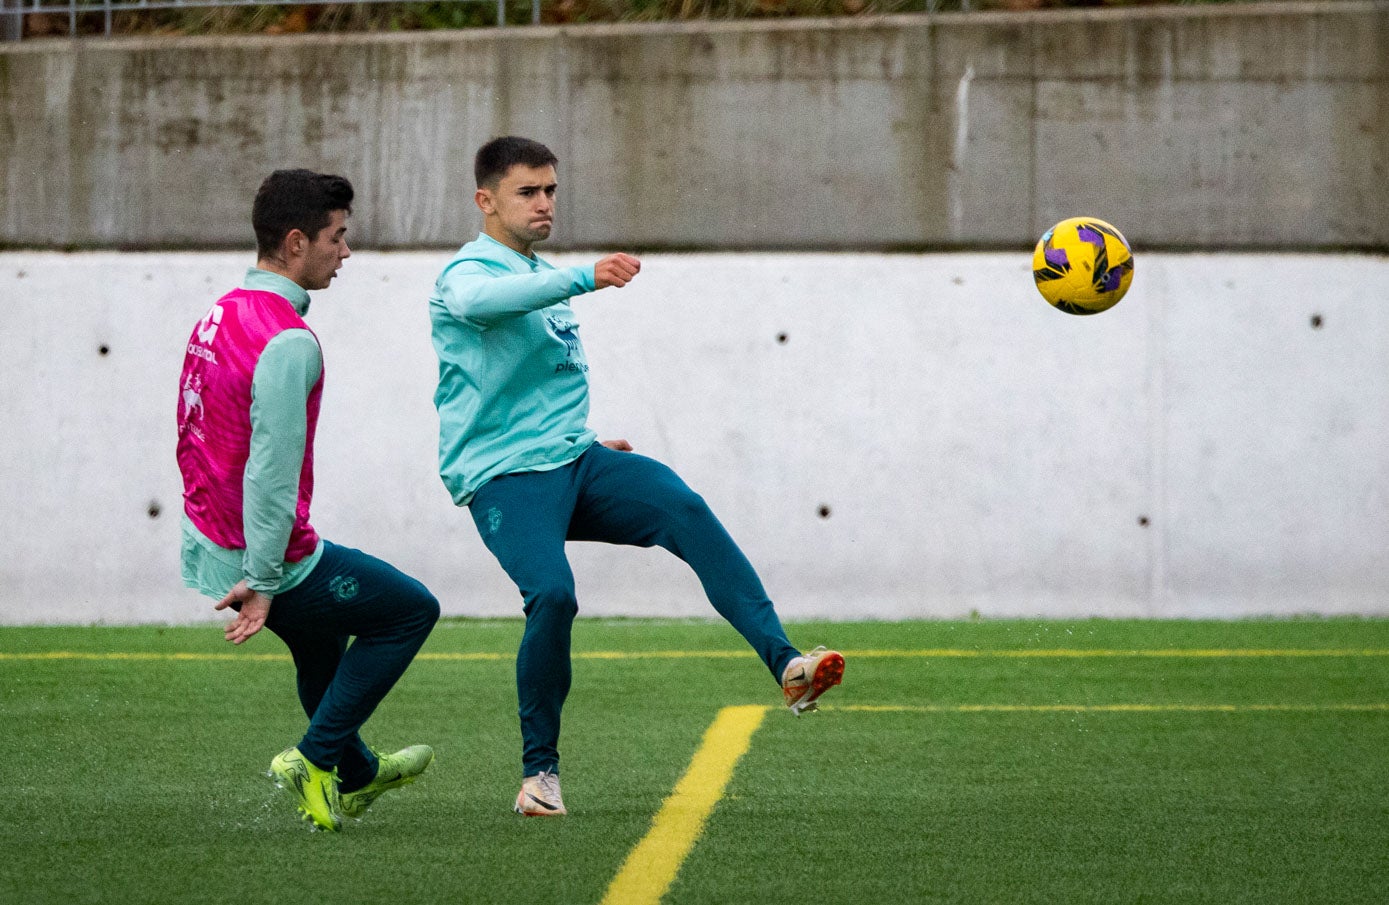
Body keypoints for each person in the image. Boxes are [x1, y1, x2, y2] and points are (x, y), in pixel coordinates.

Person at [428, 136, 844, 817]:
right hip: (505, 477)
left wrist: (585, 440)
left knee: (682, 505)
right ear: (485, 201)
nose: (543, 203)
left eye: (551, 190)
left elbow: (542, 378)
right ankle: (540, 774)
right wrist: (584, 277)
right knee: (553, 595)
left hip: (576, 459)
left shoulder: (543, 275)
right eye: (527, 192)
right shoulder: (466, 274)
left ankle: (786, 665)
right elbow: (483, 304)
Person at [176, 169, 441, 832]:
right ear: (296, 242)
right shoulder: (289, 339)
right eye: (337, 236)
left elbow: (191, 425)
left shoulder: (220, 313)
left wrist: (213, 540)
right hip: (265, 554)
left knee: (321, 648)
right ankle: (314, 759)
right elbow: (272, 471)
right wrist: (264, 579)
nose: (345, 251)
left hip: (214, 536)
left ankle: (356, 775)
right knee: (409, 610)